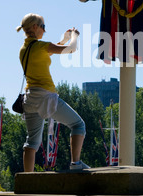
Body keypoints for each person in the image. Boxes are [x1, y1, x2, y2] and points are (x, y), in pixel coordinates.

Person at [16, 13, 89, 171]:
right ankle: (76, 164)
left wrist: (63, 39)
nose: (45, 31)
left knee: (31, 143)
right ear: (35, 27)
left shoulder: (25, 49)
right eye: (43, 27)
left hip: (29, 99)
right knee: (78, 125)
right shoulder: (41, 46)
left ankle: (27, 179)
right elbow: (71, 50)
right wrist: (74, 37)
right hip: (46, 97)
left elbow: (47, 52)